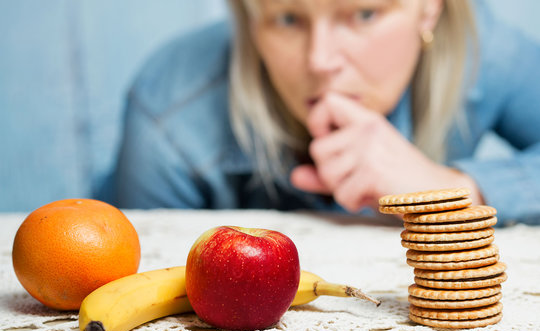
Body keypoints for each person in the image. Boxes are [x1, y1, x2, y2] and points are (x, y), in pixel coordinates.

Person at [115, 0, 540, 226]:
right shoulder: (168, 115)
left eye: (364, 13)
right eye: (286, 17)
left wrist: (461, 191)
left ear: (429, 7)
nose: (320, 60)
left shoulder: (482, 48)